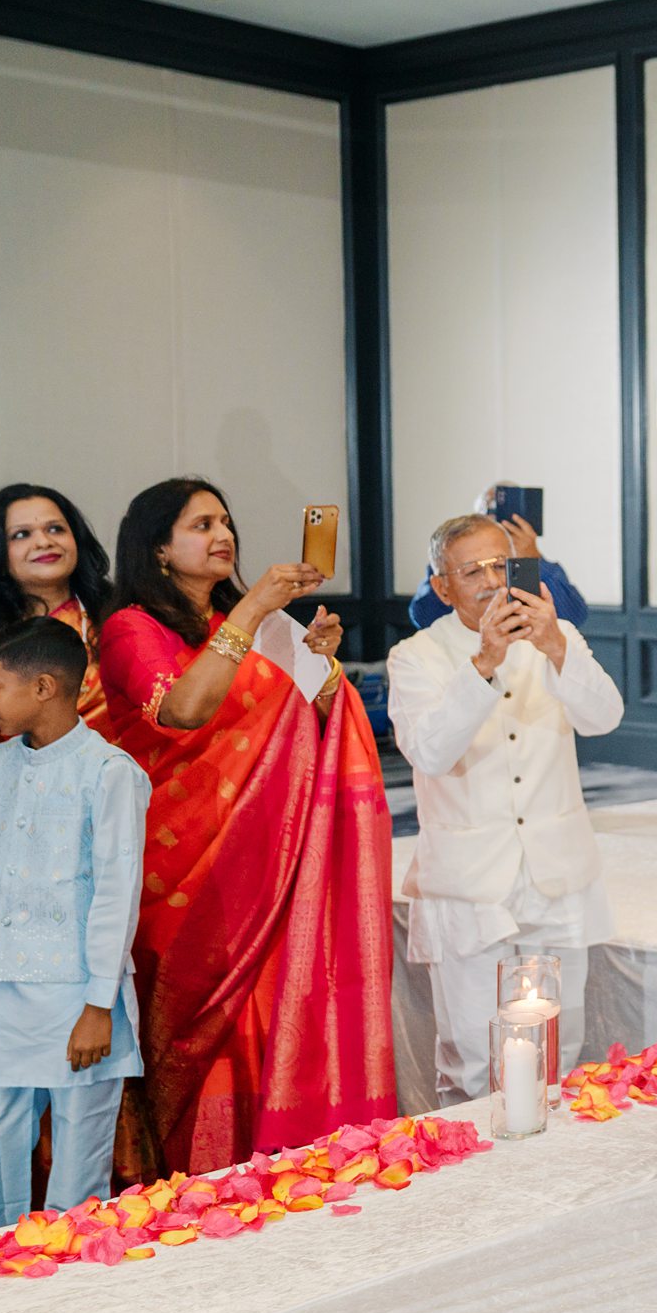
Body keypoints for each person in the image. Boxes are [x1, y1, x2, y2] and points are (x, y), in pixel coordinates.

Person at [99, 477, 395, 1173]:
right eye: (200, 523)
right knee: (203, 1036)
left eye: (226, 519)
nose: (222, 533)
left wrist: (317, 659)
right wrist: (259, 606)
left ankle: (278, 1165)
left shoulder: (259, 625)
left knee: (270, 1014)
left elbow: (317, 724)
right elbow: (182, 711)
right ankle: (200, 1181)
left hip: (273, 863)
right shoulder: (130, 627)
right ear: (159, 549)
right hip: (181, 877)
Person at [388, 513, 623, 1101]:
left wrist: (557, 646)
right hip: (470, 888)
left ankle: (559, 1183)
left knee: (558, 1054)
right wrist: (485, 661)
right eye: (473, 571)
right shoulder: (416, 656)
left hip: (557, 876)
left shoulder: (556, 636)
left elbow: (605, 717)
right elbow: (430, 752)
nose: (493, 580)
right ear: (442, 587)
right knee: (472, 1060)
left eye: (504, 563)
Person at [0, 618, 150, 1227]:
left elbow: (118, 893)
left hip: (75, 992)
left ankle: (75, 1278)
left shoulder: (109, 771)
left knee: (77, 1151)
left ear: (43, 686)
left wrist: (99, 1004)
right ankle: (2, 1259)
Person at [0, 484, 119, 802]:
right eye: (21, 535)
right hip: (5, 819)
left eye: (56, 528)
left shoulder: (117, 620)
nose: (44, 542)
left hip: (114, 808)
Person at [406, 486, 589, 629]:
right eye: (489, 511)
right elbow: (423, 617)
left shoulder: (535, 564)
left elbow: (574, 617)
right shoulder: (453, 561)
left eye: (500, 566)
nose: (492, 581)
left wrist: (532, 560)